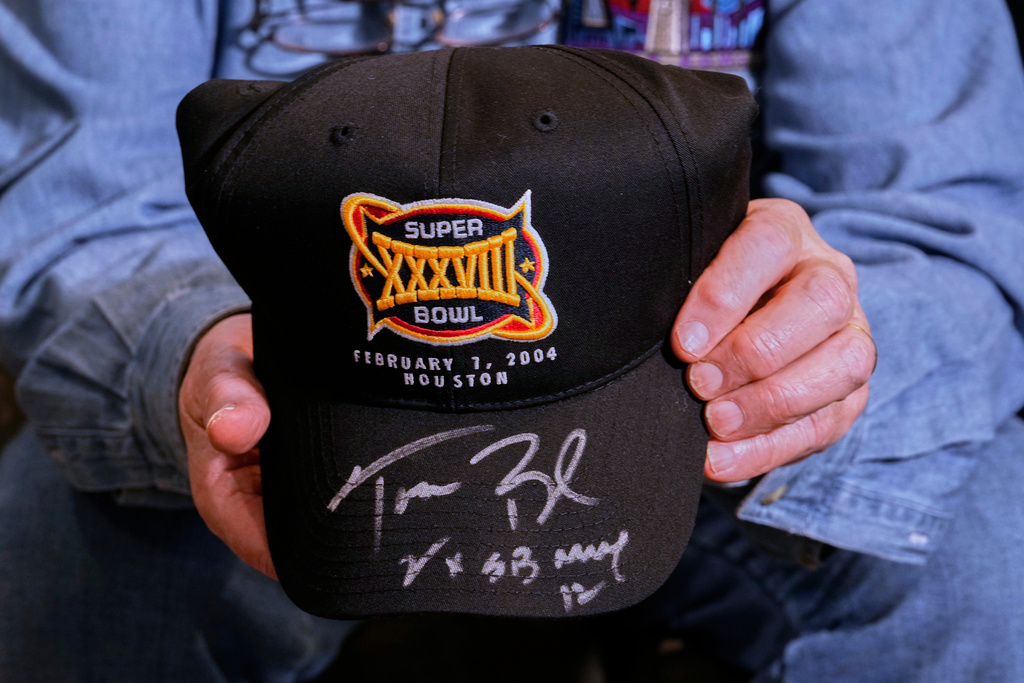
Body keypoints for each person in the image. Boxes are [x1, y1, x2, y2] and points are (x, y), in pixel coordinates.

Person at [1, 0, 1022, 681]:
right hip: (311, 391)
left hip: (666, 388)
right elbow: (84, 211)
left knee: (985, 562)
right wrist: (192, 349)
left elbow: (944, 216)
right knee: (57, 561)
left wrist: (814, 337)